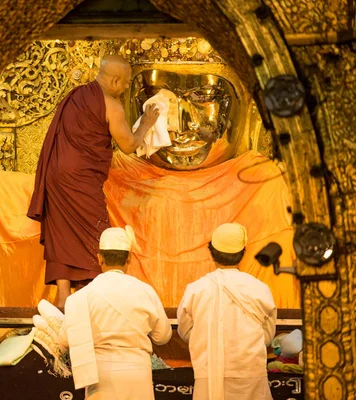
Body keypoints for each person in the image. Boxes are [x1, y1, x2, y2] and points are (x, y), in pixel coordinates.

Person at [27, 55, 159, 307]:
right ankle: (96, 295)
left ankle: (64, 296)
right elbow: (129, 145)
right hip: (81, 177)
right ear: (116, 80)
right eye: (126, 83)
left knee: (61, 231)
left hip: (56, 174)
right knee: (95, 233)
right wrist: (146, 124)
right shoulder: (111, 105)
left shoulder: (76, 96)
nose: (126, 88)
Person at [59, 225, 172, 399]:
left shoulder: (81, 297)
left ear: (99, 258)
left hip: (99, 375)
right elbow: (163, 336)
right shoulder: (146, 291)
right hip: (138, 373)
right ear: (129, 259)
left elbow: (65, 340)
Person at [177, 223, 277, 400]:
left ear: (212, 252)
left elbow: (185, 333)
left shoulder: (196, 290)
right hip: (250, 375)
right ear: (243, 252)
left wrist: (209, 342)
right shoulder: (260, 289)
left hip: (208, 373)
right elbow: (267, 337)